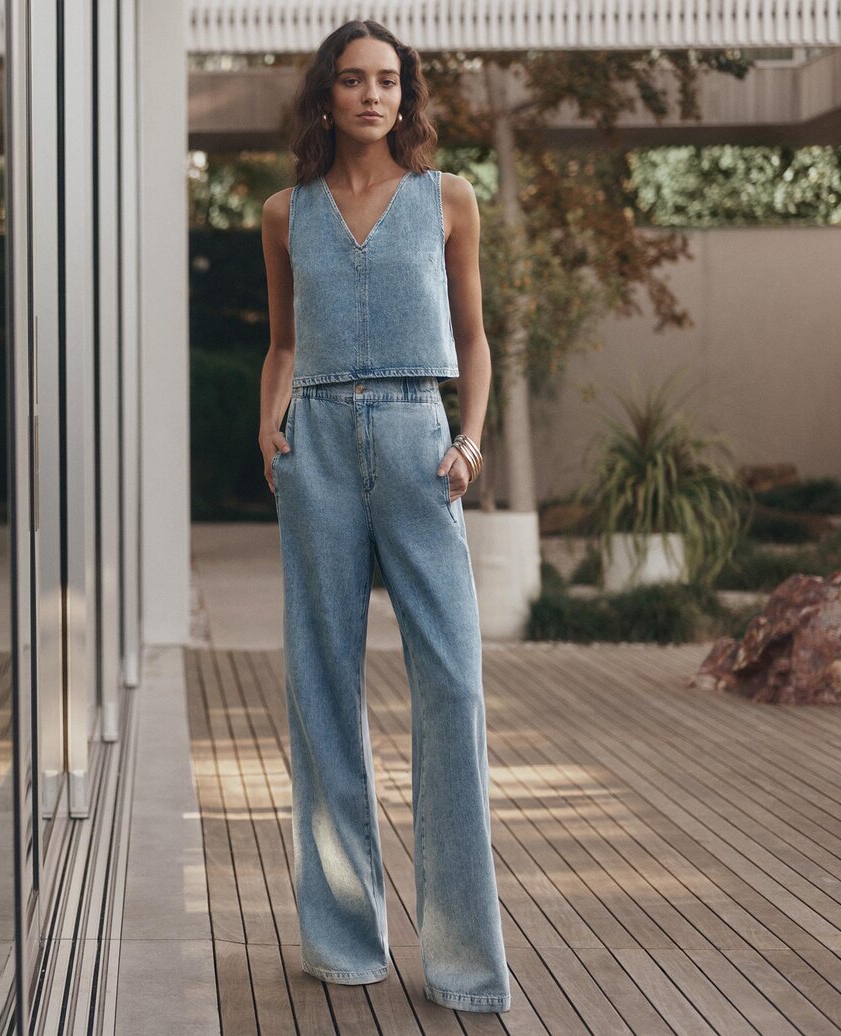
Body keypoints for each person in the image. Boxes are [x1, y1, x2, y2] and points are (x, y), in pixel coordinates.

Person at [255, 18, 511, 1013]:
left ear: (405, 96)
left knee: (448, 684)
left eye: (388, 81)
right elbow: (282, 343)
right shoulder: (284, 212)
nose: (372, 95)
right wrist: (264, 426)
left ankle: (459, 960)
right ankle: (341, 937)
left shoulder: (447, 199)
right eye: (354, 81)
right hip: (312, 444)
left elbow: (476, 339)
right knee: (319, 687)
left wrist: (470, 442)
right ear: (324, 97)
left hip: (417, 441)